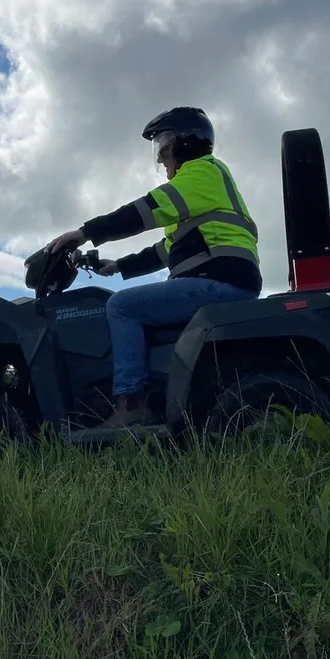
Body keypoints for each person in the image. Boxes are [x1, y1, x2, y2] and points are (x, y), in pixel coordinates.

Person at [49, 107, 262, 429]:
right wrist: (118, 265)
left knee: (122, 306)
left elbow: (147, 210)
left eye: (164, 147)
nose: (161, 159)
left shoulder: (203, 172)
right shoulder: (202, 193)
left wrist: (85, 233)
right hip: (222, 279)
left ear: (186, 144)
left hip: (221, 281)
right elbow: (166, 250)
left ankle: (130, 403)